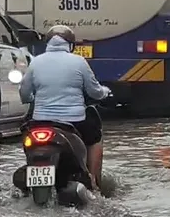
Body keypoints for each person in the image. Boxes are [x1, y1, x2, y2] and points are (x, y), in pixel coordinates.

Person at [19, 24, 110, 189]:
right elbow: (95, 91)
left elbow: (24, 93)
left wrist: (32, 98)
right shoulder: (79, 62)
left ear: (48, 43)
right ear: (71, 45)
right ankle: (94, 181)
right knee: (95, 137)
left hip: (40, 122)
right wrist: (104, 92)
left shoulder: (36, 62)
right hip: (73, 122)